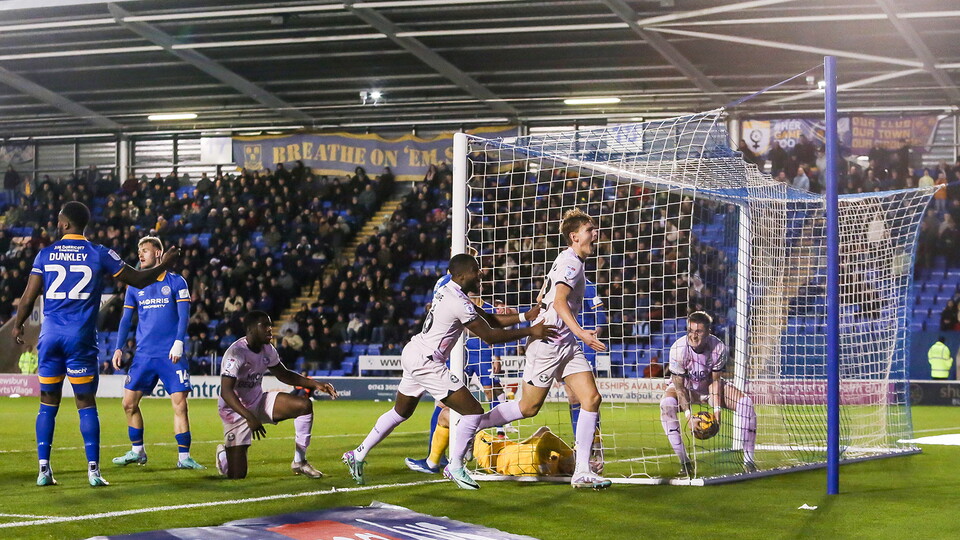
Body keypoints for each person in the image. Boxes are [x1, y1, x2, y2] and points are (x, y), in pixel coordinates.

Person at [341, 253, 556, 490]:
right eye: (475, 271)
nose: (480, 275)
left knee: (400, 412)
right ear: (462, 275)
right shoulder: (459, 303)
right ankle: (455, 466)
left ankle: (357, 454)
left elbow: (489, 319)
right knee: (473, 411)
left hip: (414, 351)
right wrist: (531, 331)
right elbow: (490, 336)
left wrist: (525, 316)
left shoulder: (447, 288)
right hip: (428, 362)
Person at [12, 201, 179, 487]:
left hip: (50, 337)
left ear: (65, 224)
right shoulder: (99, 252)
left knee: (47, 402)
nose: (57, 223)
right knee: (86, 403)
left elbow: (28, 296)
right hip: (81, 339)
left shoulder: (45, 254)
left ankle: (43, 470)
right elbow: (137, 279)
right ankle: (93, 471)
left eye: (59, 219)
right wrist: (164, 265)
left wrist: (18, 324)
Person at [471, 209, 613, 489]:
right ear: (574, 236)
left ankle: (582, 471)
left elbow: (546, 296)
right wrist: (582, 333)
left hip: (565, 344)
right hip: (548, 344)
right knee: (528, 407)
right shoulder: (571, 263)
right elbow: (559, 301)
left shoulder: (567, 259)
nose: (595, 234)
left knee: (591, 398)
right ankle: (472, 425)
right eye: (589, 230)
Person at [110, 236, 203, 470]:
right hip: (143, 355)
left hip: (170, 354)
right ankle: (137, 451)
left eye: (145, 250)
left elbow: (183, 315)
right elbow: (125, 319)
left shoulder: (176, 282)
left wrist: (178, 342)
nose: (140, 254)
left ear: (159, 253)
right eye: (139, 250)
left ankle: (184, 457)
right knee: (128, 404)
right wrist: (119, 347)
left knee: (180, 405)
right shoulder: (135, 285)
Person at [216, 311, 338, 479]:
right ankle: (224, 456)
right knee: (237, 475)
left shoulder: (267, 349)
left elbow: (284, 375)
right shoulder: (236, 353)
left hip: (257, 401)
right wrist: (249, 417)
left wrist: (315, 384)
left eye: (270, 325)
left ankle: (299, 461)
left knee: (303, 405)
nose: (270, 329)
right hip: (235, 411)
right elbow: (226, 391)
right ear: (250, 329)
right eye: (265, 325)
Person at [659, 311, 757, 476]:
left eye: (698, 332)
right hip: (687, 389)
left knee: (745, 403)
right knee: (666, 405)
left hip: (709, 388)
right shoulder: (678, 349)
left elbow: (715, 382)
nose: (693, 335)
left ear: (708, 332)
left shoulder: (718, 347)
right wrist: (689, 417)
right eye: (690, 331)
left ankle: (749, 462)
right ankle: (685, 462)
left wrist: (717, 412)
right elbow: (680, 388)